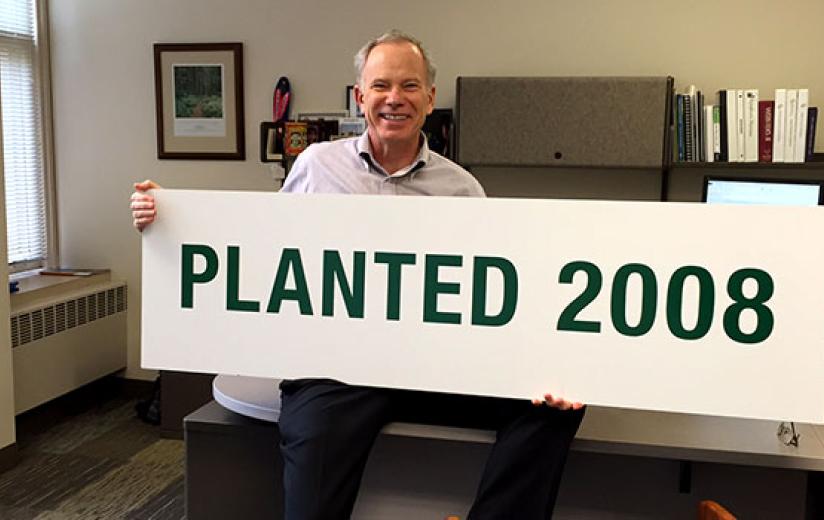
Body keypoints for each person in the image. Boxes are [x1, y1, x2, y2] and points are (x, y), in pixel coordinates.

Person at [131, 30, 585, 520]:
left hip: (432, 367)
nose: (395, 99)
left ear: (430, 99)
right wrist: (176, 216)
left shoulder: (462, 189)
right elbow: (262, 248)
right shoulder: (316, 167)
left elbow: (487, 290)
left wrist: (536, 366)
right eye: (381, 85)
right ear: (360, 95)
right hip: (335, 371)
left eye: (410, 86)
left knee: (555, 406)